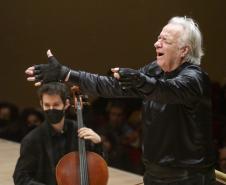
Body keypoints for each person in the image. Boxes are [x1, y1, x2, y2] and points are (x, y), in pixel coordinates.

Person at [25, 16, 216, 184]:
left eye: (165, 40)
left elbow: (166, 91)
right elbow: (110, 85)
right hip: (153, 173)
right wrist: (67, 74)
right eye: (158, 38)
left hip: (189, 178)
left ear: (184, 50)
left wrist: (141, 81)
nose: (157, 44)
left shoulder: (195, 78)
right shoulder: (154, 71)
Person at [13, 82, 103, 185]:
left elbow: (98, 168)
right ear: (41, 104)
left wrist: (98, 143)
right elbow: (20, 178)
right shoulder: (32, 140)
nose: (51, 109)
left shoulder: (79, 130)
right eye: (47, 105)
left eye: (56, 105)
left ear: (66, 104)